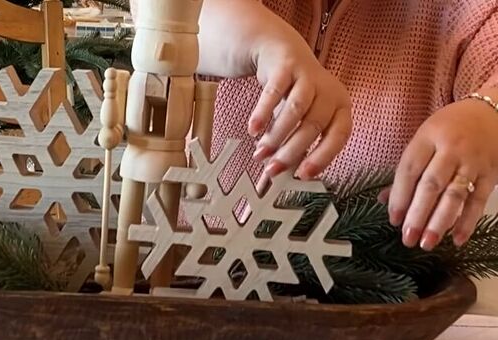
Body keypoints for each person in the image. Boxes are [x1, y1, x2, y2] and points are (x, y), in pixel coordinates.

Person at [131, 0, 498, 251]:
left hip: (365, 307)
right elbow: (163, 16)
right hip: (176, 272)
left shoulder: (458, 11)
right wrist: (261, 37)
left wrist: (486, 112)